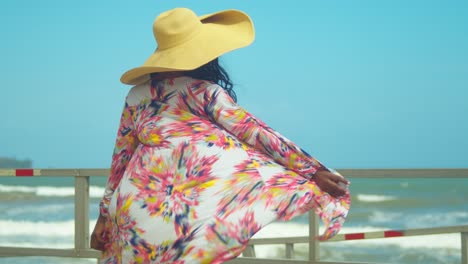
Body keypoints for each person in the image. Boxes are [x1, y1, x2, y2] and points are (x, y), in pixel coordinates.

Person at [91, 7, 350, 264]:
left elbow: (120, 159)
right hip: (185, 214)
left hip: (133, 208)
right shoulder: (205, 92)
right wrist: (312, 170)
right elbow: (255, 133)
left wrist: (103, 216)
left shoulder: (137, 95)